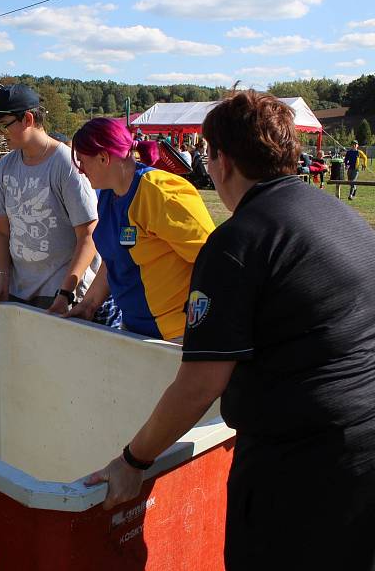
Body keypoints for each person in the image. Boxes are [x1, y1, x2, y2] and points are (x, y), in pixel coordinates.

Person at [84, 91, 375, 570]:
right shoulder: (341, 217)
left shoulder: (239, 242)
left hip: (301, 465)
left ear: (218, 159)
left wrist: (132, 462)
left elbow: (201, 383)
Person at [65, 118, 214, 341]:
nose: (80, 171)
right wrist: (88, 305)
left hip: (177, 336)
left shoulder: (160, 193)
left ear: (104, 158)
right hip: (135, 330)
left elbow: (214, 261)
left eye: (82, 162)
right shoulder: (108, 194)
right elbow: (114, 259)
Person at [0, 84, 98, 315]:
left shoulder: (66, 164)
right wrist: (1, 278)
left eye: (4, 125)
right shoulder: (5, 167)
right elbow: (1, 232)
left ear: (28, 119)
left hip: (60, 294)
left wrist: (66, 293)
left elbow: (89, 236)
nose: (1, 134)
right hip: (18, 292)